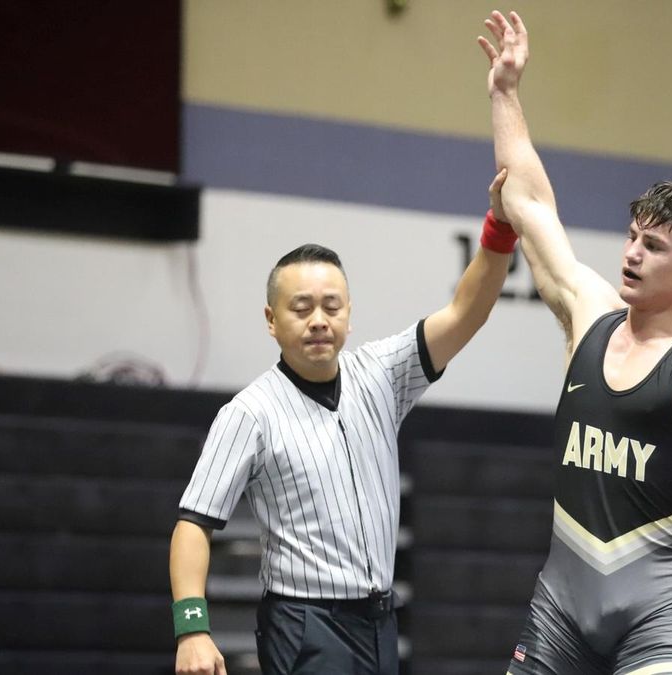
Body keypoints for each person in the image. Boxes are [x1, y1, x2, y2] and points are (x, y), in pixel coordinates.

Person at [478, 11, 672, 675]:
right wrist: (505, 92)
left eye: (655, 246)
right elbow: (529, 202)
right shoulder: (590, 311)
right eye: (632, 237)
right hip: (559, 606)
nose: (632, 254)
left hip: (658, 612)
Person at [169, 172, 516, 675]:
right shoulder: (250, 413)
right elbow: (193, 524)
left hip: (380, 619)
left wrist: (500, 225)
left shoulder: (381, 374)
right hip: (305, 623)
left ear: (349, 315)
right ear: (271, 320)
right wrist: (193, 629)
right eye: (301, 307)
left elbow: (468, 310)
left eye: (331, 306)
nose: (318, 320)